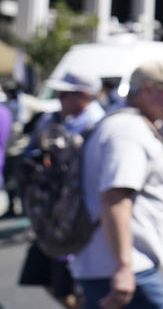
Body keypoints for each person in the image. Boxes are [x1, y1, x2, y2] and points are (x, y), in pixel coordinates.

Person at [71, 60, 163, 309]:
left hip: (115, 266)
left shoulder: (128, 125)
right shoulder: (127, 130)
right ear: (148, 90)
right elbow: (115, 199)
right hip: (122, 269)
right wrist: (124, 267)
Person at [18, 71, 105, 309]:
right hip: (50, 214)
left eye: (65, 94)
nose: (59, 98)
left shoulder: (98, 125)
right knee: (43, 275)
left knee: (82, 283)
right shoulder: (52, 120)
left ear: (83, 96)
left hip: (79, 218)